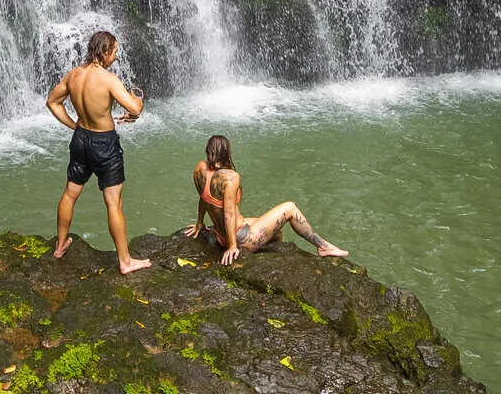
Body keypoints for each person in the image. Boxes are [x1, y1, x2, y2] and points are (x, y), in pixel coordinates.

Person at [44, 29, 150, 274]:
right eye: (114, 52)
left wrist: (74, 125)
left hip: (81, 139)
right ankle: (125, 261)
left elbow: (52, 101)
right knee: (113, 203)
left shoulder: (74, 75)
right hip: (104, 144)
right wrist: (138, 102)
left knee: (70, 194)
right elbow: (135, 108)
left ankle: (60, 246)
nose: (115, 57)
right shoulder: (109, 80)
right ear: (104, 52)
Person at [185, 134, 348, 266]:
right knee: (290, 208)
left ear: (209, 152)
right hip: (240, 240)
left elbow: (203, 198)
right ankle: (323, 247)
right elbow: (228, 214)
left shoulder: (200, 168)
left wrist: (200, 223)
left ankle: (275, 258)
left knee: (276, 230)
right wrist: (233, 246)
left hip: (220, 235)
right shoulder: (230, 178)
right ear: (226, 153)